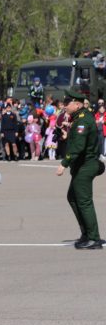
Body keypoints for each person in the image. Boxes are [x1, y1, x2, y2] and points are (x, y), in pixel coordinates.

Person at [56, 89, 104, 249]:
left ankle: (94, 238)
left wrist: (64, 163)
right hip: (82, 165)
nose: (64, 106)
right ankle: (86, 233)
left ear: (77, 104)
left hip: (86, 165)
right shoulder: (78, 118)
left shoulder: (83, 120)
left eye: (67, 104)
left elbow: (79, 145)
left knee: (83, 201)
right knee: (73, 197)